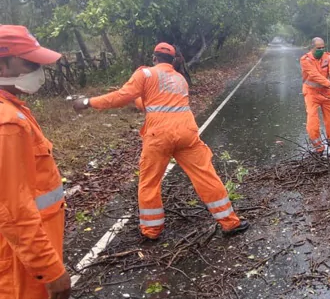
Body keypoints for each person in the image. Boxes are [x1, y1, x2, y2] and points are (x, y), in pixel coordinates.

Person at [72, 43, 249, 239]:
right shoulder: (180, 79)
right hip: (187, 133)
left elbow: (120, 97)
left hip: (159, 136)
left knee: (149, 182)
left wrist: (88, 102)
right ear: (172, 60)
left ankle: (151, 230)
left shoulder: (145, 74)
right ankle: (231, 223)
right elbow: (156, 103)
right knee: (206, 176)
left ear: (154, 57)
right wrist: (137, 100)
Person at [0, 25, 71, 299]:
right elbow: (13, 209)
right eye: (29, 62)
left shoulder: (13, 108)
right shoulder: (7, 123)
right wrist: (49, 269)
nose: (38, 70)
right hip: (22, 265)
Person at [300, 37, 330, 155]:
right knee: (313, 121)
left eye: (323, 48)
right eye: (318, 48)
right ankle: (318, 148)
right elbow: (315, 75)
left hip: (327, 93)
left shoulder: (329, 57)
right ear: (312, 47)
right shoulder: (305, 60)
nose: (321, 50)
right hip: (312, 93)